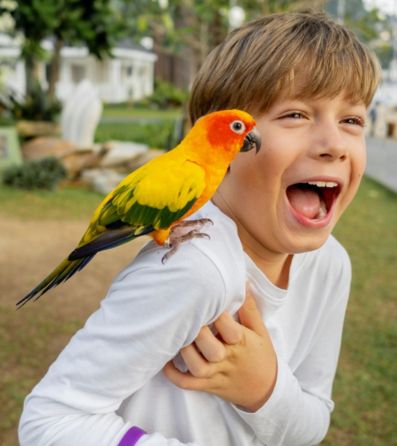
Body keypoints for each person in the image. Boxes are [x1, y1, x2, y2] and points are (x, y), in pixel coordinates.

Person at [19, 11, 380, 446]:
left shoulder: (331, 265)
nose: (334, 145)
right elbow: (50, 421)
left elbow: (312, 418)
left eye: (352, 120)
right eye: (296, 114)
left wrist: (265, 389)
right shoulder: (194, 270)